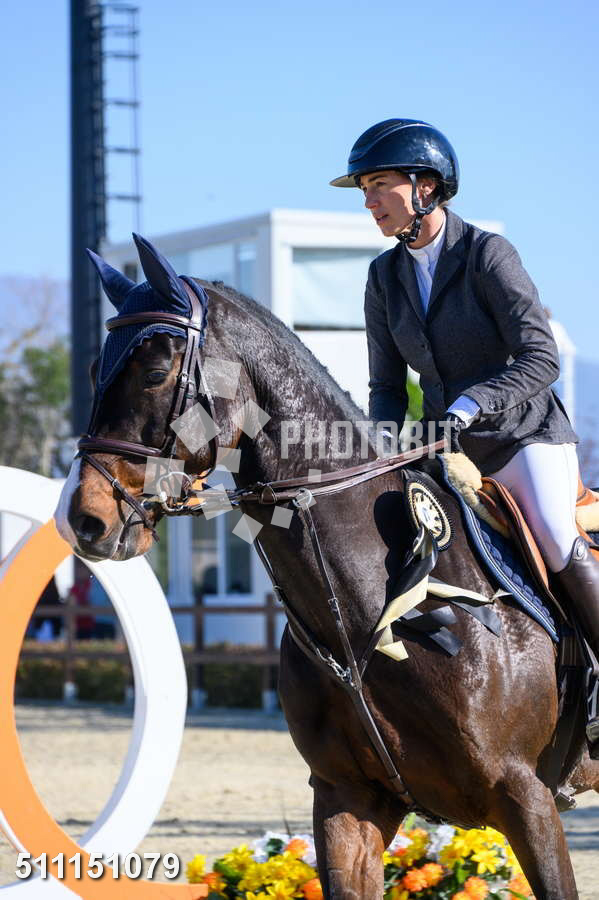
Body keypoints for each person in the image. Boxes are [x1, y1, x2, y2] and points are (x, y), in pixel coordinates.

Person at [331, 118, 599, 755]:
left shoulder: (487, 254)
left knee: (555, 537)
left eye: (379, 185)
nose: (369, 201)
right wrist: (382, 447)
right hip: (445, 451)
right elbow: (386, 386)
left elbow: (540, 357)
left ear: (425, 186)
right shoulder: (383, 277)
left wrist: (472, 403)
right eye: (364, 189)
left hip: (523, 437)